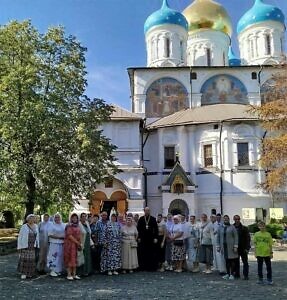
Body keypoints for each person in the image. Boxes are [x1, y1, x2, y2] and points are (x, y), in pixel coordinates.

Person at [17, 214, 39, 279]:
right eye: (30, 218)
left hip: (32, 246)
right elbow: (20, 236)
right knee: (24, 259)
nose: (31, 220)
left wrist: (38, 244)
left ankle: (29, 273)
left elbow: (37, 236)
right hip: (25, 245)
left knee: (31, 260)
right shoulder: (24, 226)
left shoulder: (36, 226)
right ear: (27, 219)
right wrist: (19, 246)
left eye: (33, 218)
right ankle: (23, 273)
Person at [217, 215, 238, 280]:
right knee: (226, 261)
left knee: (232, 261)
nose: (226, 220)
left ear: (229, 219)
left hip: (231, 247)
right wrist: (218, 246)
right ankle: (227, 273)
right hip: (224, 247)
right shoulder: (220, 227)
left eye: (227, 219)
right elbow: (218, 237)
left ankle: (232, 274)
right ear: (223, 220)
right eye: (224, 219)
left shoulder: (232, 227)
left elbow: (236, 237)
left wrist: (235, 246)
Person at [137, 207, 158, 271]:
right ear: (144, 211)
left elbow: (156, 229)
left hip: (151, 239)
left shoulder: (153, 219)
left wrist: (155, 237)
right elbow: (138, 229)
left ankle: (151, 267)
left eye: (148, 210)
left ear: (149, 211)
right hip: (143, 239)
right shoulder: (141, 219)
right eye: (146, 210)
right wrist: (139, 237)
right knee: (143, 253)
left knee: (151, 253)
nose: (147, 212)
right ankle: (143, 267)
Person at [63, 213, 82, 280]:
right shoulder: (69, 226)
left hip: (75, 245)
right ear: (71, 219)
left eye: (76, 218)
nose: (74, 219)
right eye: (73, 218)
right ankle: (69, 274)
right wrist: (78, 243)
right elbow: (69, 236)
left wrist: (79, 243)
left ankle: (74, 274)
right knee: (69, 258)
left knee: (75, 259)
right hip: (69, 245)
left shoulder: (77, 226)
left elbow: (79, 235)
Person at [233, 215, 250, 279]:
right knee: (235, 262)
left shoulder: (244, 228)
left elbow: (248, 238)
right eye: (236, 219)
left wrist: (247, 248)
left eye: (238, 219)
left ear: (240, 219)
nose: (237, 220)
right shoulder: (232, 227)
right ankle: (237, 274)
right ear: (234, 220)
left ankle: (246, 275)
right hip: (235, 248)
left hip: (243, 248)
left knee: (245, 262)